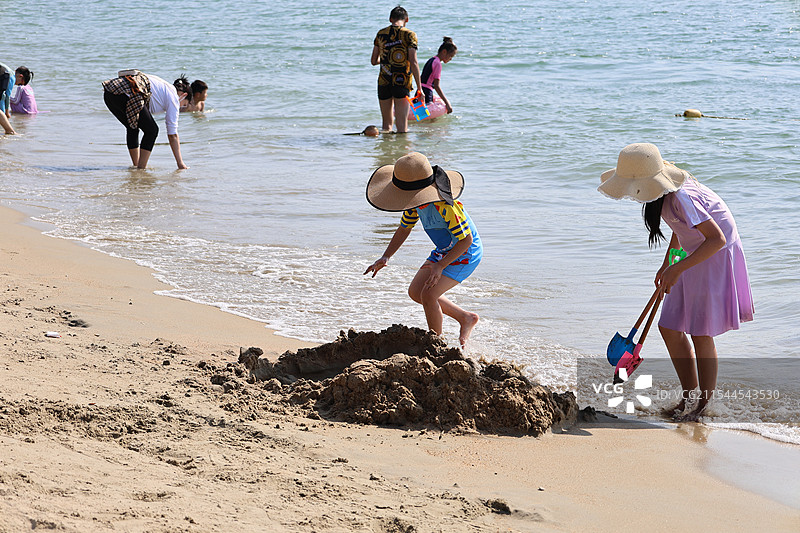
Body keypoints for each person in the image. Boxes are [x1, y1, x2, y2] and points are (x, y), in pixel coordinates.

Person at [598, 143, 754, 421]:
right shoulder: (664, 195)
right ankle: (688, 395)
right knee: (669, 326)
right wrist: (669, 262)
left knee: (700, 332)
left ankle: (704, 406)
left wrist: (678, 268)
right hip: (693, 251)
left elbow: (716, 239)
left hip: (715, 254)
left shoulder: (681, 197)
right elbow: (682, 228)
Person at [364, 151, 482, 348]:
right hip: (444, 250)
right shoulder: (414, 205)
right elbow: (404, 228)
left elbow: (466, 241)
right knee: (415, 291)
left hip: (466, 253)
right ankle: (465, 318)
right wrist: (386, 256)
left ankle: (436, 344)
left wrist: (441, 266)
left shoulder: (446, 207)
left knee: (428, 294)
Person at [102, 70, 188, 169]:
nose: (181, 106)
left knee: (132, 126)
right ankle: (141, 168)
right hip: (124, 93)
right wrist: (180, 163)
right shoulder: (173, 96)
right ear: (184, 95)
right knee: (152, 130)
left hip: (109, 93)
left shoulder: (162, 87)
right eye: (184, 104)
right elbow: (172, 134)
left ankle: (136, 165)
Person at [370, 5, 422, 133]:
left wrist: (387, 61)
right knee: (402, 127)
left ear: (390, 19)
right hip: (402, 81)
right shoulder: (410, 35)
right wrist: (420, 88)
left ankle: (386, 151)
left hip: (384, 81)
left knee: (386, 125)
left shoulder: (381, 34)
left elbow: (373, 61)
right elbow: (413, 61)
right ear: (407, 19)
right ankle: (400, 151)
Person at [420, 37, 457, 113]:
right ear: (444, 52)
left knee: (419, 115)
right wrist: (447, 103)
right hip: (427, 92)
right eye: (451, 56)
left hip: (420, 90)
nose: (450, 59)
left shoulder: (432, 59)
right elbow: (436, 86)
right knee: (429, 118)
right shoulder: (438, 64)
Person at [0, 62, 15, 134]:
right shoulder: (11, 74)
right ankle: (10, 130)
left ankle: (9, 130)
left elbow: (5, 96)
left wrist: (6, 111)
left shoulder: (12, 77)